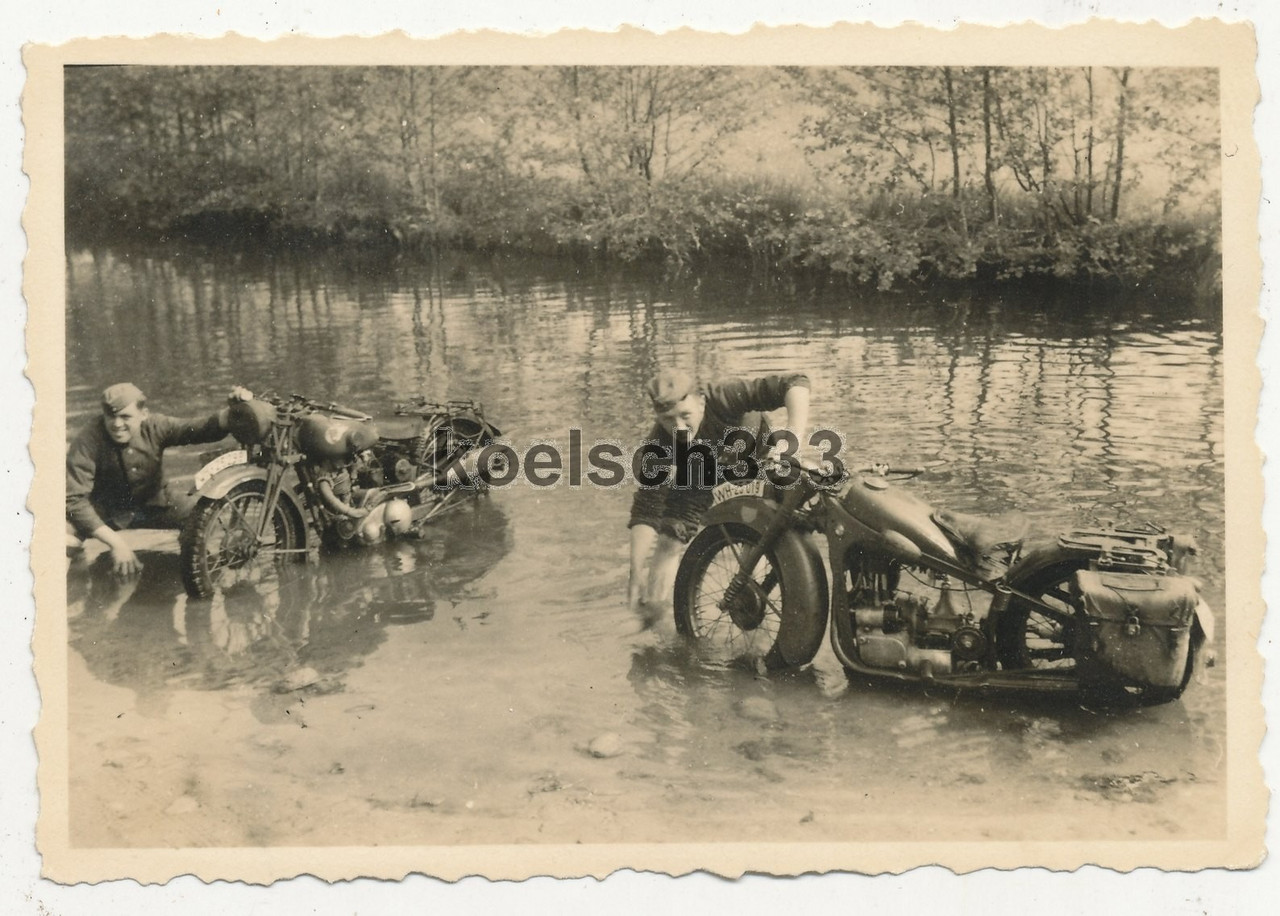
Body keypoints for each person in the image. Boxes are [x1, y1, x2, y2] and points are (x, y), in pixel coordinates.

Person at [626, 369, 811, 627]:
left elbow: (795, 383)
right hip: (699, 471)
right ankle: (655, 624)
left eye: (685, 415)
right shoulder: (658, 447)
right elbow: (645, 512)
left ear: (701, 401)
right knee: (670, 537)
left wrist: (792, 443)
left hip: (752, 457)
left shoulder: (724, 397)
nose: (679, 428)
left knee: (759, 526)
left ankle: (754, 609)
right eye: (668, 419)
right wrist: (635, 572)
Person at [66, 382, 253, 576]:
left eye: (125, 417)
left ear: (143, 414)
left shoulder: (155, 426)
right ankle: (81, 579)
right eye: (110, 416)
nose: (117, 424)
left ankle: (190, 574)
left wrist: (234, 411)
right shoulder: (88, 439)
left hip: (156, 504)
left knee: (200, 518)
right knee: (64, 534)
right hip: (107, 510)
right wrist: (116, 544)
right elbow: (74, 500)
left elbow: (199, 428)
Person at [309, 450, 413, 546]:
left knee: (376, 493)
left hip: (349, 507)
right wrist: (351, 511)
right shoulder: (325, 478)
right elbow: (330, 497)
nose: (342, 463)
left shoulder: (341, 470)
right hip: (343, 514)